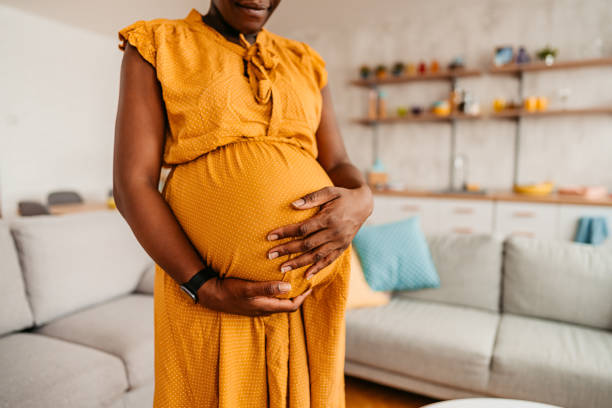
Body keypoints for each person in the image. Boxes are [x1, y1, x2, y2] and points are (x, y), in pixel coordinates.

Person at [113, 1, 373, 406]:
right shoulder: (157, 44)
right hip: (207, 294)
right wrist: (205, 286)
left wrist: (363, 199)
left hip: (309, 301)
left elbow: (338, 163)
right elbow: (133, 184)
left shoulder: (305, 62)